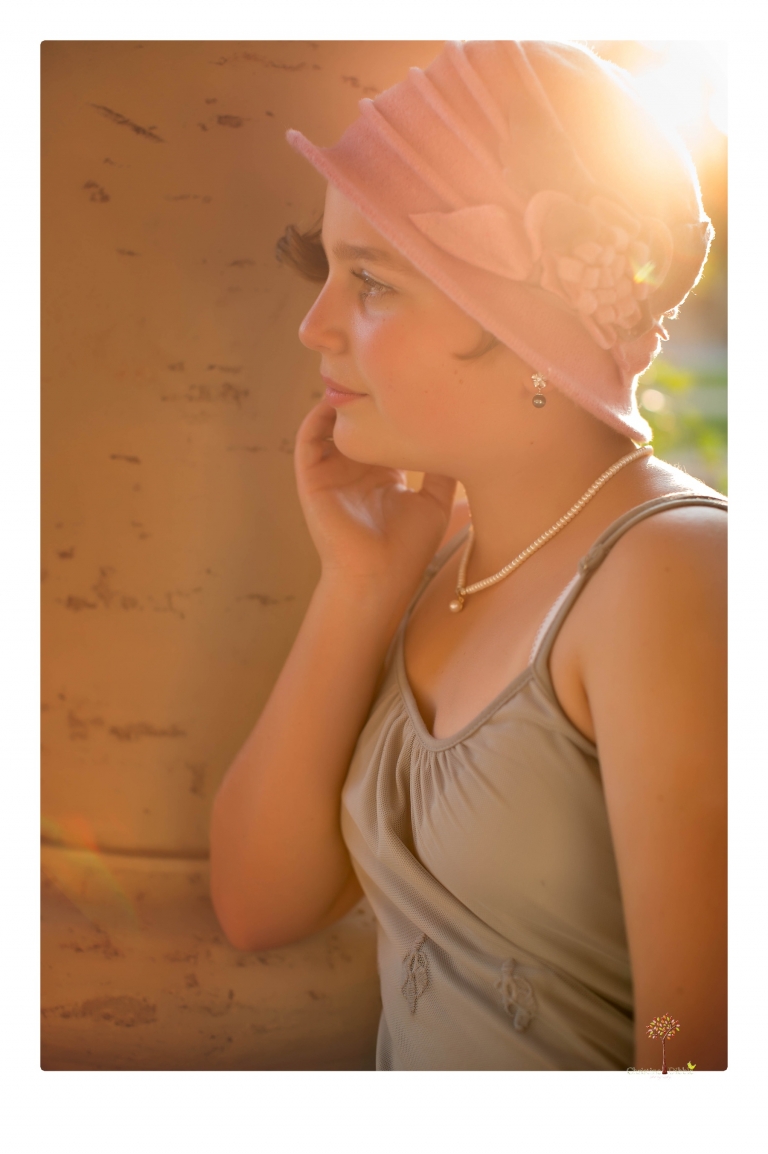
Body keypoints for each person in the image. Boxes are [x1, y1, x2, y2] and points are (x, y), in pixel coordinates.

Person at [210, 41, 726, 1071]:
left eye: (372, 281)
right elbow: (259, 904)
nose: (314, 326)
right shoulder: (446, 562)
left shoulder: (674, 573)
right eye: (327, 269)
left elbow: (696, 1057)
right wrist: (358, 588)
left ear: (524, 319)